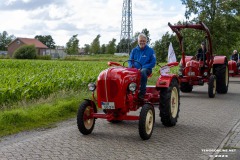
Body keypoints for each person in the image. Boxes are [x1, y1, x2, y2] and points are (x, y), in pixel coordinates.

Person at [128, 33, 156, 100]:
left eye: (144, 41)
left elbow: (153, 63)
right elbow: (130, 61)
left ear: (146, 41)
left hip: (146, 70)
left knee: (143, 72)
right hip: (135, 69)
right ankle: (130, 91)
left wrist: (143, 67)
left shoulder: (150, 51)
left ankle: (142, 93)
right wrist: (132, 66)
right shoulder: (134, 50)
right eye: (141, 41)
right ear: (138, 41)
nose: (142, 42)